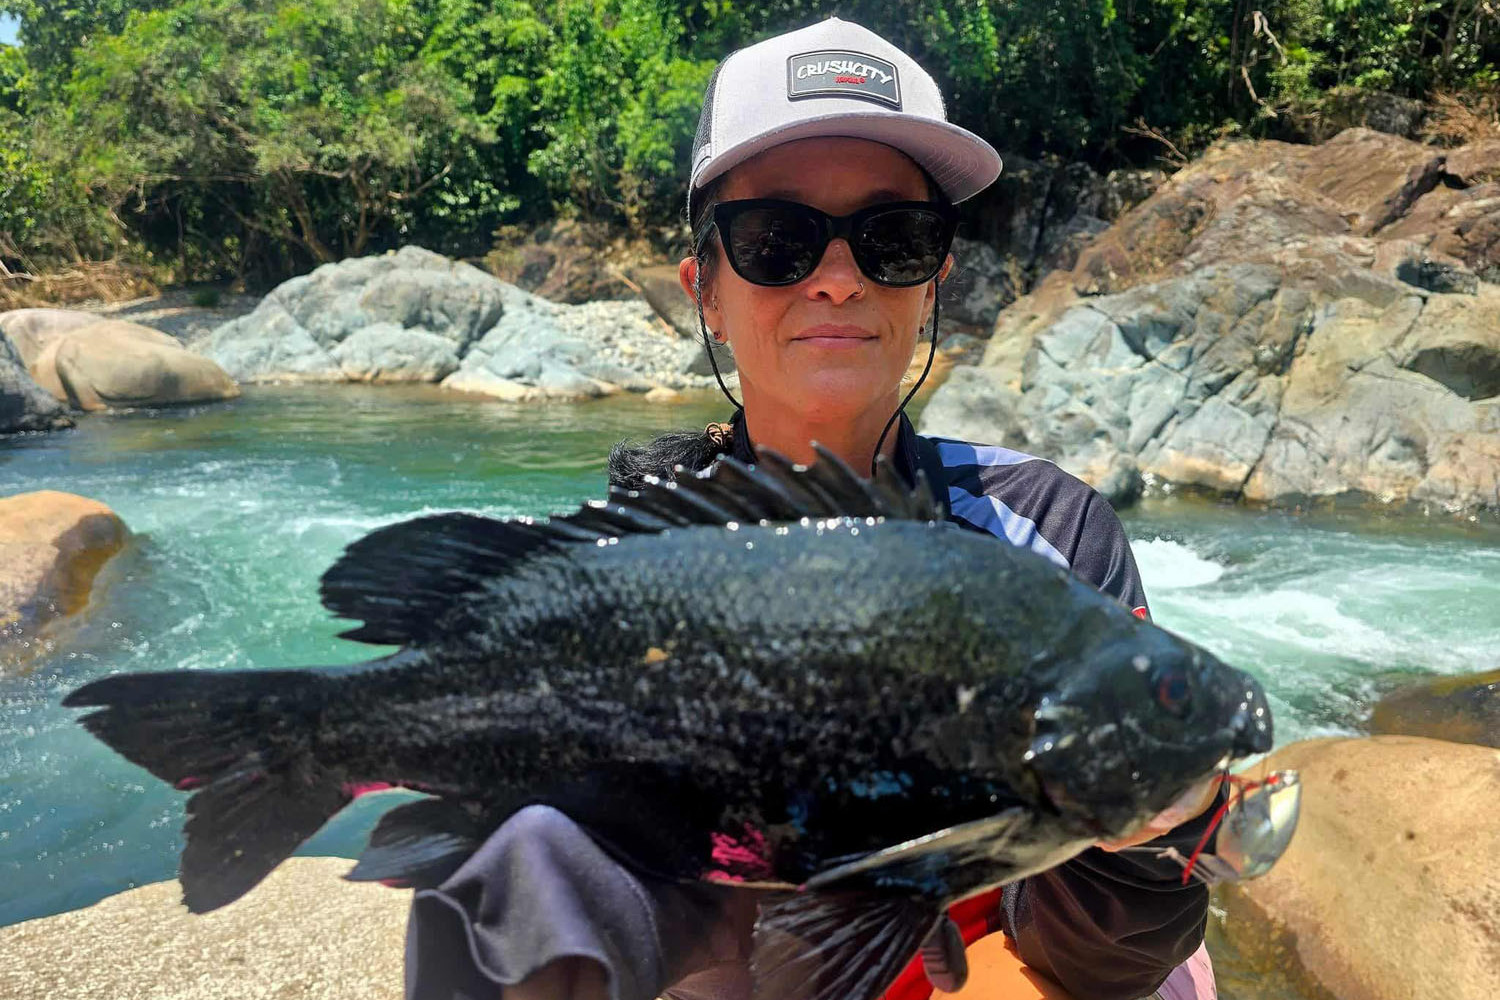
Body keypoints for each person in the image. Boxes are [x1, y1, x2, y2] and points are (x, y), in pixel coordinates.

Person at [404, 17, 1224, 1000]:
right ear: (703, 290)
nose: (837, 277)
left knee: (1174, 965)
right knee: (506, 856)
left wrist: (1151, 841)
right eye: (776, 239)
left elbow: (1092, 949)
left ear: (936, 282)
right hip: (722, 953)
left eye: (894, 238)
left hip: (971, 968)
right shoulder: (627, 554)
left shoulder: (1055, 530)